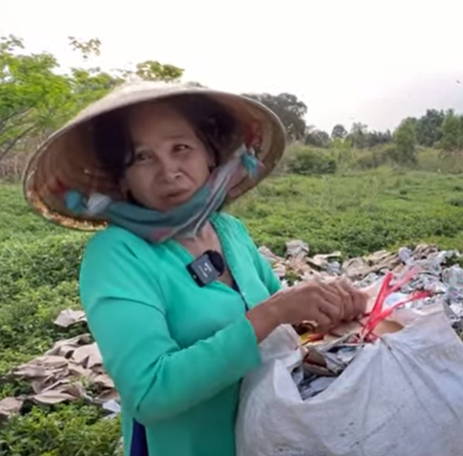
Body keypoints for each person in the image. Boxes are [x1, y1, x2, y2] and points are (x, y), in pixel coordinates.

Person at [23, 81, 370, 456]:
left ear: (210, 155)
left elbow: (285, 322)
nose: (169, 170)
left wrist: (327, 309)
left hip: (268, 439)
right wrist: (270, 314)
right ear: (121, 177)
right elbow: (149, 393)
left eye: (181, 148)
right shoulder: (118, 255)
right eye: (142, 157)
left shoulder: (229, 232)